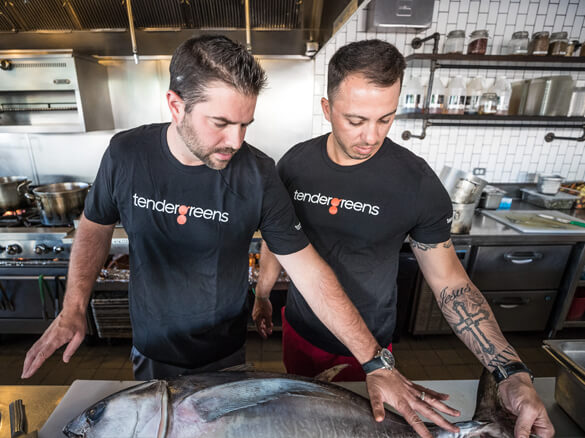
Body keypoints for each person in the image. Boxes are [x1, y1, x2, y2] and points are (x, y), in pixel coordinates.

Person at [20, 35, 462, 437]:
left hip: (225, 353)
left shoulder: (258, 174)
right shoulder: (125, 154)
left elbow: (308, 270)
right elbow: (95, 226)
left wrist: (374, 359)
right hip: (150, 345)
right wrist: (74, 306)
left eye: (246, 124)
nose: (235, 141)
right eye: (221, 123)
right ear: (176, 106)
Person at [255, 39, 554, 438]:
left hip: (372, 346)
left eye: (385, 119)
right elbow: (281, 238)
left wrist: (510, 370)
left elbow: (450, 282)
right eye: (356, 120)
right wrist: (263, 293)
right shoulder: (295, 162)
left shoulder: (415, 182)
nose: (371, 136)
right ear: (327, 110)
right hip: (302, 330)